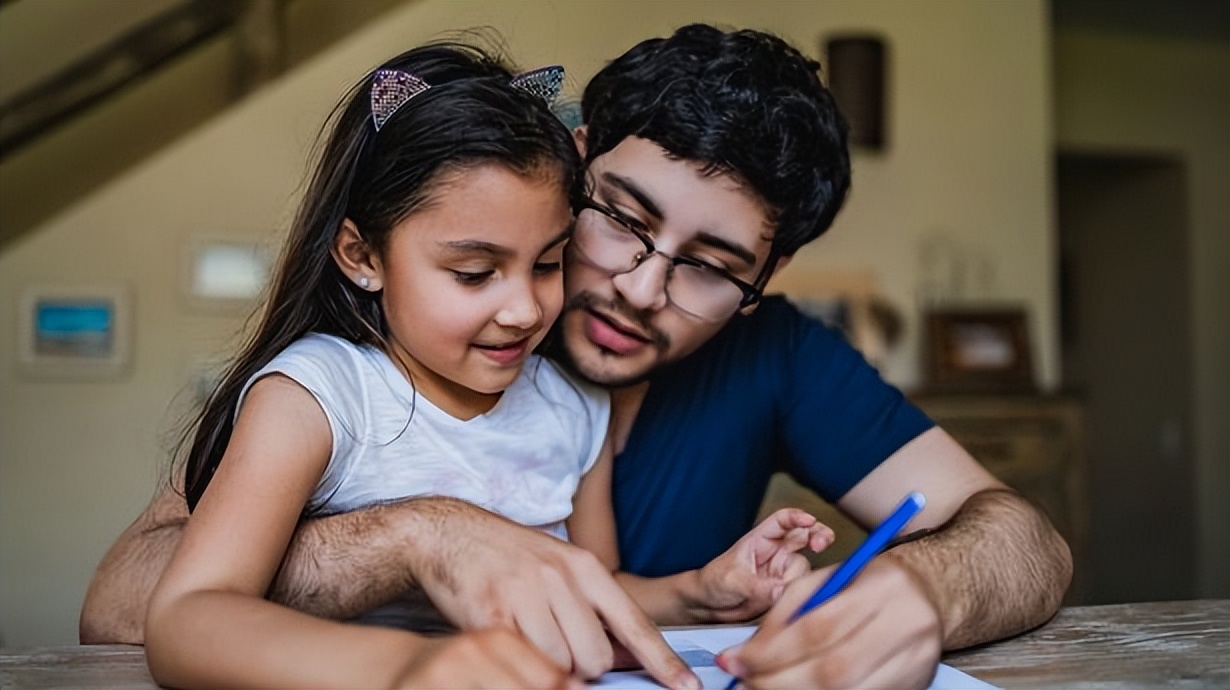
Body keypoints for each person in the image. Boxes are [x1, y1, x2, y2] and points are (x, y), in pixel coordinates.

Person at [85, 24, 1072, 690]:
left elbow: (1027, 540)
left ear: (766, 276)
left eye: (711, 266)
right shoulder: (353, 366)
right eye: (621, 219)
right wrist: (421, 536)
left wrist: (922, 591)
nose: (640, 288)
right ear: (576, 161)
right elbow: (133, 601)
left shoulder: (763, 357)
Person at [141, 41, 831, 690]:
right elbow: (188, 619)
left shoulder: (571, 406)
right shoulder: (317, 398)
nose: (525, 310)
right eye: (474, 273)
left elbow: (591, 589)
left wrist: (703, 592)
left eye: (549, 264)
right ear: (362, 256)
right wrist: (413, 667)